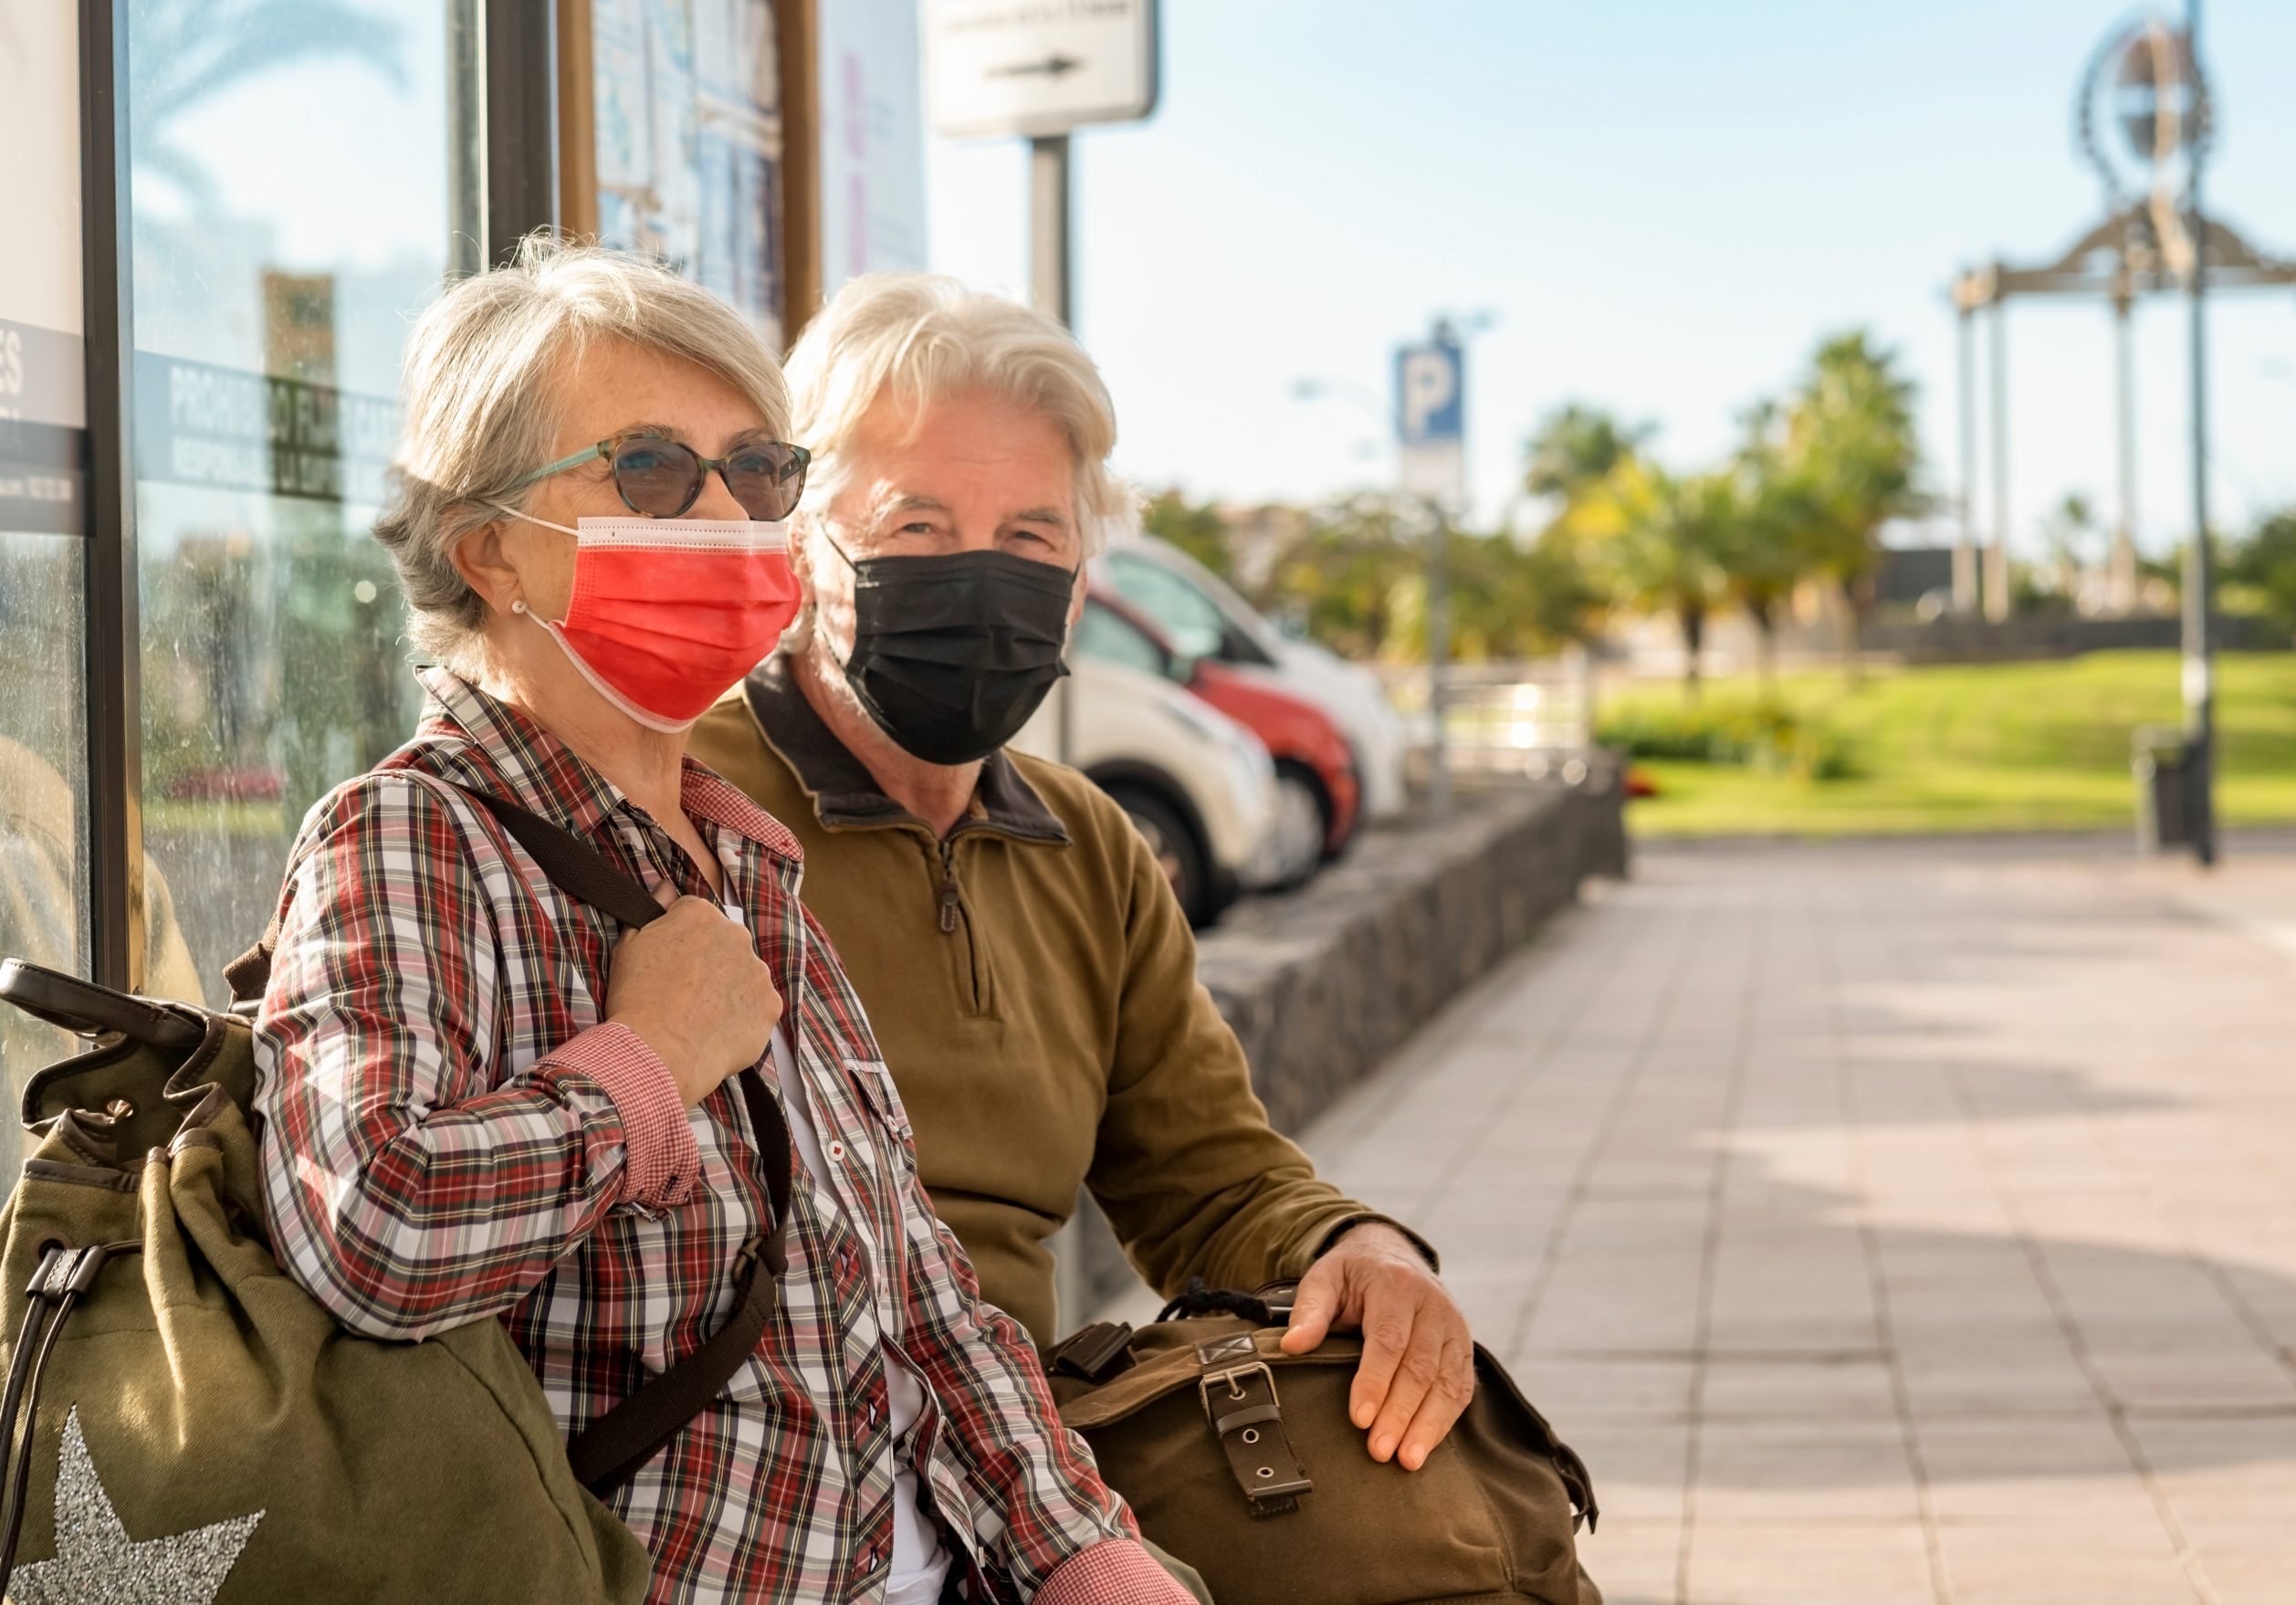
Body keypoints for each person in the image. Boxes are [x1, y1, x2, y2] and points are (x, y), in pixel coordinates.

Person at [251, 242, 1192, 1605]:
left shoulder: (743, 855)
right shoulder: (410, 834)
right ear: (490, 548)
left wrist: (1082, 1548)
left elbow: (907, 1282)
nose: (720, 514)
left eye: (755, 472)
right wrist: (644, 1062)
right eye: (647, 469)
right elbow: (373, 1229)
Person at [688, 274, 1478, 1474]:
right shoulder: (682, 804)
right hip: (755, 1479)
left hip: (1015, 1473)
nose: (981, 578)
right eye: (917, 526)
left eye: (1029, 538)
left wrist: (1358, 1244)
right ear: (800, 535)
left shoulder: (1091, 848)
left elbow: (1207, 1180)